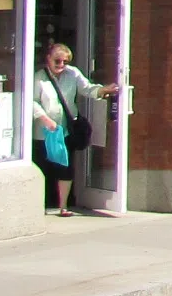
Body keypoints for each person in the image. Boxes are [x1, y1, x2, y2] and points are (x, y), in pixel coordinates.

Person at [33, 41, 119, 216]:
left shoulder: (72, 74)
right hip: (43, 131)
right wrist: (44, 119)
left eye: (65, 61)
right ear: (48, 58)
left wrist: (103, 90)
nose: (61, 65)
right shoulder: (39, 77)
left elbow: (87, 88)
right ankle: (38, 205)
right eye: (58, 61)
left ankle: (63, 205)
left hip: (65, 129)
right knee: (44, 167)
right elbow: (32, 101)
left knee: (65, 167)